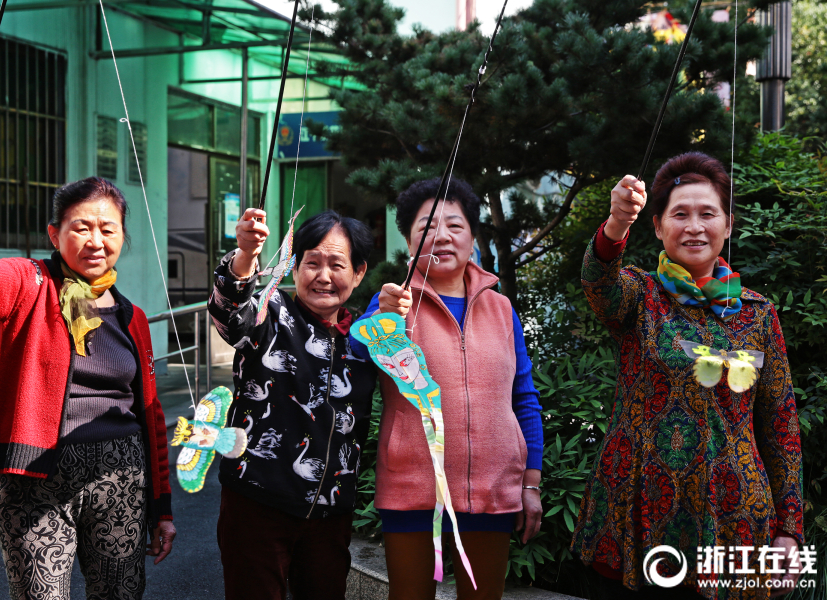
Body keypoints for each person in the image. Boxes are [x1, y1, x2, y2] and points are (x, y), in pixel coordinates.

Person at [0, 177, 175, 600]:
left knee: (121, 594)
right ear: (54, 234)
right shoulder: (30, 282)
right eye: (81, 227)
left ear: (122, 236)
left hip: (121, 478)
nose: (95, 240)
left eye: (107, 229)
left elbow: (150, 415)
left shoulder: (133, 317)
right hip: (34, 480)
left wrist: (162, 507)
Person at [570, 152, 804, 599]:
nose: (694, 226)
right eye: (680, 214)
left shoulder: (758, 314)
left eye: (707, 214)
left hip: (732, 519)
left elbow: (782, 424)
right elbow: (598, 284)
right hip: (636, 517)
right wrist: (617, 223)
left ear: (728, 225)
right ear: (657, 226)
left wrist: (790, 530)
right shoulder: (640, 295)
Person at [352, 177, 544, 600]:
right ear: (407, 239)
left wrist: (530, 482)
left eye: (455, 226)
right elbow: (356, 353)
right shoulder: (391, 303)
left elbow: (524, 396)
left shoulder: (501, 308)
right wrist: (381, 319)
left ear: (473, 235)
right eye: (426, 227)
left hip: (494, 491)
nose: (441, 236)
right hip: (412, 493)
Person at [208, 208, 377, 600]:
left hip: (330, 513)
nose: (323, 276)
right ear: (296, 267)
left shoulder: (366, 341)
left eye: (337, 264)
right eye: (312, 263)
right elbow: (229, 313)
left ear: (358, 272)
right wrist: (245, 256)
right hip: (256, 503)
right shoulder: (272, 311)